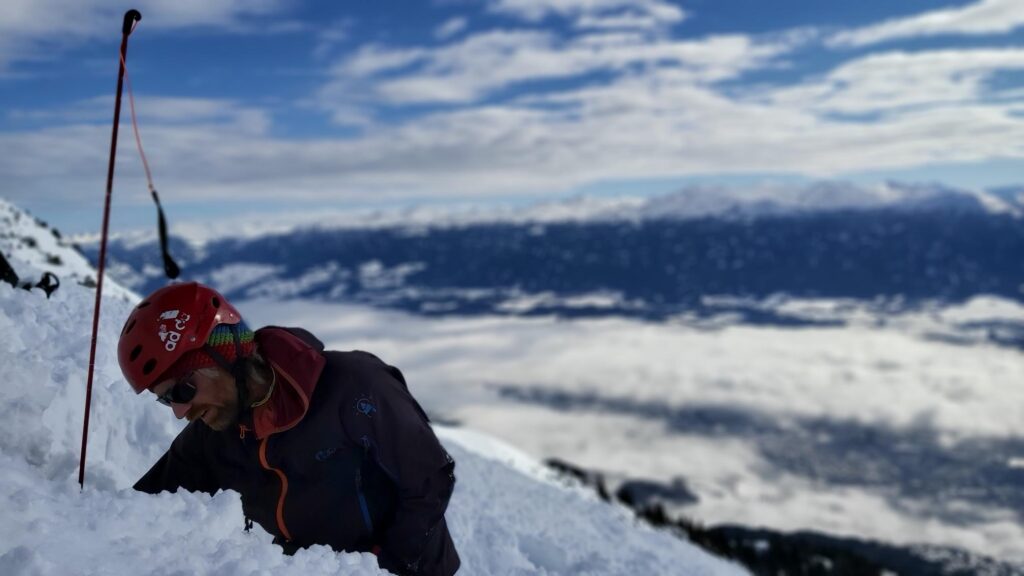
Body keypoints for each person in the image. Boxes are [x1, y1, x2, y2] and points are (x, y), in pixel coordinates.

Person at [117, 281, 460, 576]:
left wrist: (386, 566)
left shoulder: (355, 389)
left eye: (182, 390)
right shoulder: (213, 435)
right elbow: (136, 514)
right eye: (166, 400)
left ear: (225, 354)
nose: (180, 412)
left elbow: (429, 480)